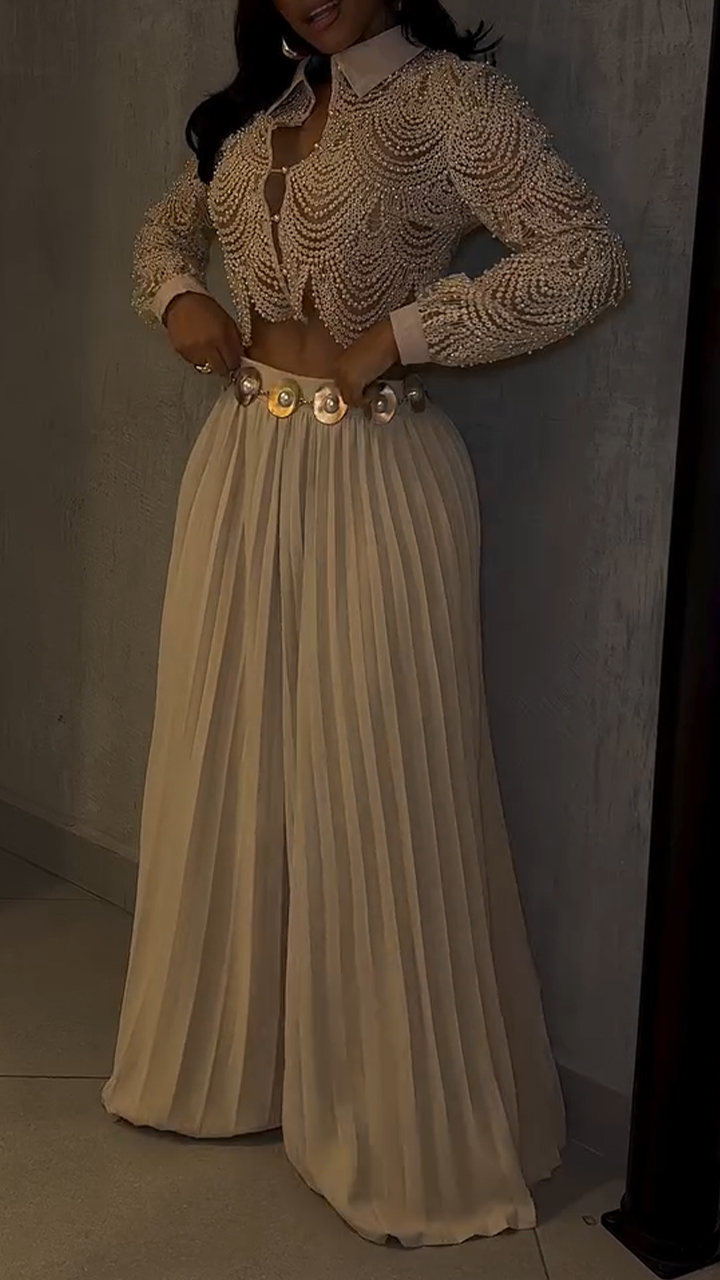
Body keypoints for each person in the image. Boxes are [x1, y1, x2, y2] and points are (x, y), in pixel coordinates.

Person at [102, 0, 628, 1248]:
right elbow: (166, 226)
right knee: (228, 757)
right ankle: (227, 1066)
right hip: (242, 463)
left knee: (376, 772)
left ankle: (401, 1124)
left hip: (376, 474)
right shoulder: (260, 108)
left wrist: (406, 332)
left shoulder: (451, 99)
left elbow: (586, 257)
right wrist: (177, 294)